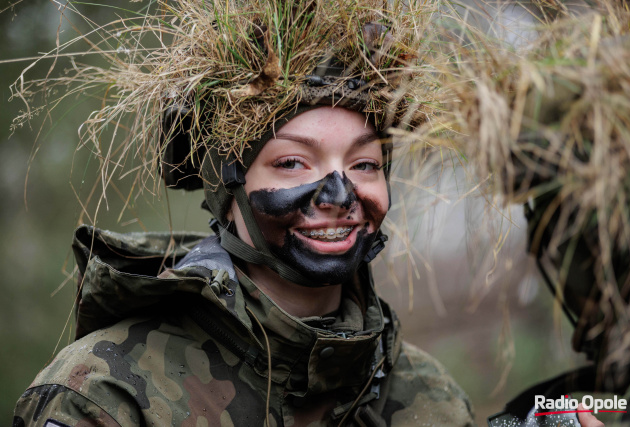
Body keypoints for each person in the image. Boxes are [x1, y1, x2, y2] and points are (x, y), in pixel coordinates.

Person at [12, 0, 476, 425]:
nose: (340, 194)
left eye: (364, 165)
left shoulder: (433, 397)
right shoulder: (104, 393)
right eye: (293, 162)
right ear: (228, 185)